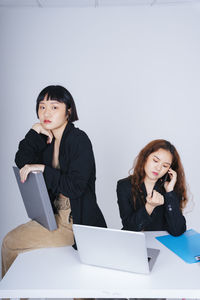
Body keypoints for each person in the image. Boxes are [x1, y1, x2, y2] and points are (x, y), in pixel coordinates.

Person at [2, 85, 107, 278]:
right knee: (13, 246)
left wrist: (43, 169)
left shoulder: (79, 140)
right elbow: (22, 161)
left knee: (10, 243)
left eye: (54, 107)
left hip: (74, 222)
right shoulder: (45, 140)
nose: (46, 113)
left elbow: (75, 187)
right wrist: (34, 132)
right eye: (42, 107)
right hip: (51, 215)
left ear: (69, 111)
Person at [117, 139, 188, 236]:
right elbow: (129, 228)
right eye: (155, 161)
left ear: (169, 170)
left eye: (165, 166)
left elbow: (177, 230)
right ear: (145, 157)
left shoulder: (170, 187)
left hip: (162, 244)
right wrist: (149, 207)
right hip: (135, 243)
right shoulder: (124, 185)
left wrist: (170, 192)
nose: (158, 168)